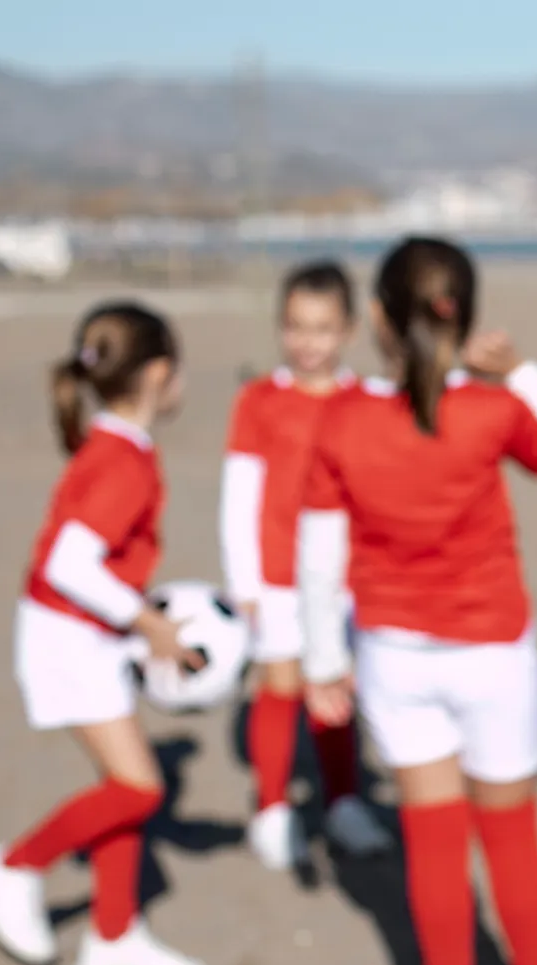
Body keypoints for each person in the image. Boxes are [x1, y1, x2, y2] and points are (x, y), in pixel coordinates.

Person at [298, 237, 537, 965]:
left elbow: (318, 559)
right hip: (493, 657)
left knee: (431, 838)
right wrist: (521, 372)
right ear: (465, 320)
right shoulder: (491, 410)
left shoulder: (341, 419)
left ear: (376, 319)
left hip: (392, 660)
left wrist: (322, 664)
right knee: (510, 837)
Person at [0, 302, 207, 965]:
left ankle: (115, 936)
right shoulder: (122, 462)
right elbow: (69, 563)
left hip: (85, 636)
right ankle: (13, 867)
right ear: (158, 375)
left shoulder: (115, 447)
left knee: (126, 785)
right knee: (139, 789)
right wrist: (147, 622)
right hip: (65, 639)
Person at [221, 260, 390, 870]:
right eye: (295, 326)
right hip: (275, 577)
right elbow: (239, 495)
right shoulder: (259, 401)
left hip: (344, 581)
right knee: (281, 686)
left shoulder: (368, 401)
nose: (307, 342)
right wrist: (244, 582)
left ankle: (343, 802)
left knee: (335, 685)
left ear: (347, 331)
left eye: (321, 328)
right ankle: (271, 809)